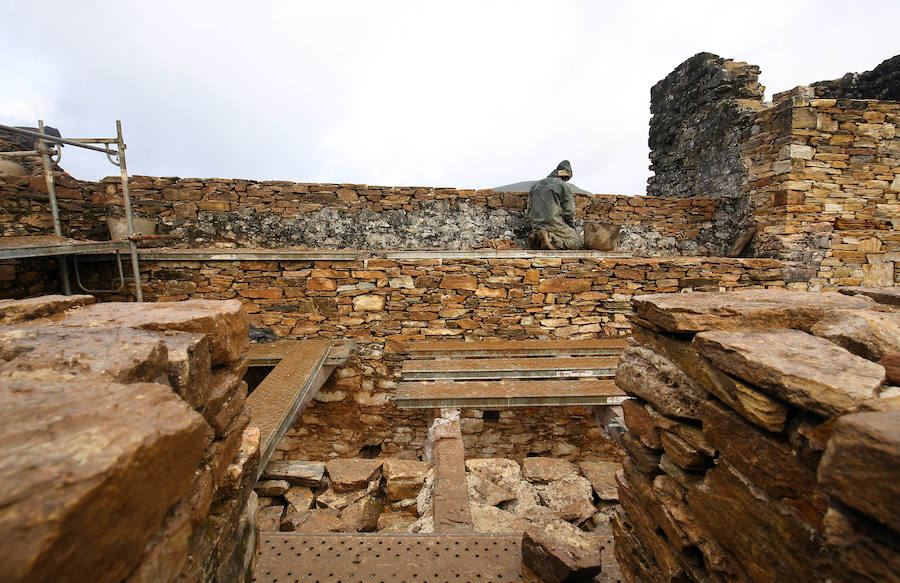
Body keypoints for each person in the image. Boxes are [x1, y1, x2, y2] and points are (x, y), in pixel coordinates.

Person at [527, 160, 582, 249]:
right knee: (578, 242)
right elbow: (569, 211)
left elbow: (529, 208)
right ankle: (551, 240)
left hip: (536, 225)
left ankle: (537, 238)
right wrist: (570, 226)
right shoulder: (562, 185)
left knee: (549, 233)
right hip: (553, 223)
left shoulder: (535, 185)